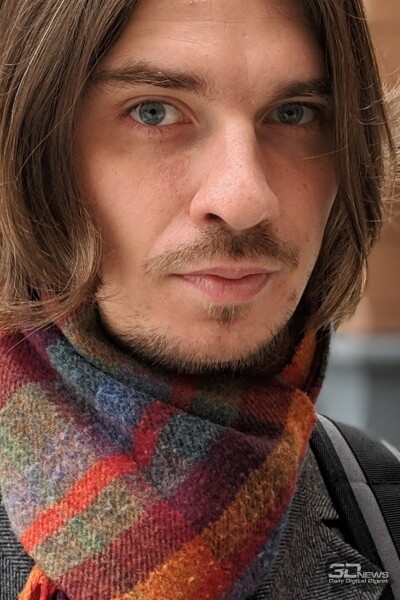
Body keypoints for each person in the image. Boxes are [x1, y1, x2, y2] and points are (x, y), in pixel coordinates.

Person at [0, 0, 398, 599]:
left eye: (293, 113)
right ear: (29, 148)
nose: (245, 198)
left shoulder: (378, 509)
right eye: (154, 112)